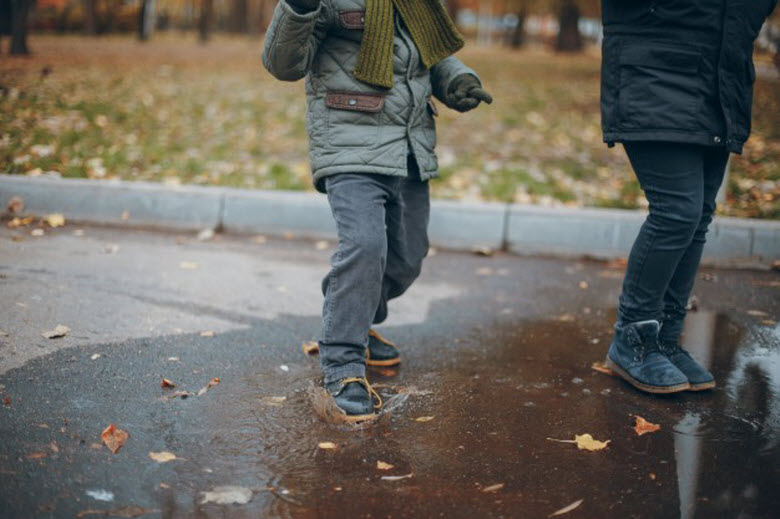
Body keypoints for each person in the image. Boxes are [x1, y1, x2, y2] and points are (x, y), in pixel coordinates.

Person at [262, 0, 492, 420]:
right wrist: (299, 8)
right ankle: (343, 365)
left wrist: (457, 78)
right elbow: (284, 63)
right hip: (350, 141)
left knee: (407, 258)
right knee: (366, 247)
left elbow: (425, 53)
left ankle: (354, 316)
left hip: (408, 145)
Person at [600, 0, 777, 393]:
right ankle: (633, 340)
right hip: (656, 73)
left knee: (697, 216)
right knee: (676, 211)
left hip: (720, 75)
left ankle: (663, 338)